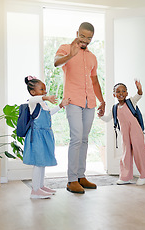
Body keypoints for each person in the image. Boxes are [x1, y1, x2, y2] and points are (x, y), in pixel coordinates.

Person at [54, 22, 106, 194]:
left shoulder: (92, 57)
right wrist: (71, 54)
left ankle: (81, 176)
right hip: (73, 100)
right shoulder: (65, 48)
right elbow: (56, 63)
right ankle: (71, 180)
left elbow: (94, 81)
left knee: (84, 139)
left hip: (89, 101)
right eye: (82, 36)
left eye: (89, 38)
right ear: (77, 33)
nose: (85, 40)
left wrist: (102, 101)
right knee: (76, 137)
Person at [22, 76, 70, 199]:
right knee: (38, 163)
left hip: (45, 135)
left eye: (45, 89)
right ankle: (35, 190)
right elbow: (35, 99)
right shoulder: (33, 102)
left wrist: (60, 105)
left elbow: (49, 113)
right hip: (37, 136)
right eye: (42, 89)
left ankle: (40, 186)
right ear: (33, 92)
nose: (45, 91)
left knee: (42, 162)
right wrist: (46, 97)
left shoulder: (43, 104)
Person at [100, 80, 145, 185]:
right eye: (118, 91)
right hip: (124, 133)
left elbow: (139, 95)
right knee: (126, 154)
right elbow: (107, 119)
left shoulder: (131, 102)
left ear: (127, 93)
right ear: (114, 94)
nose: (121, 93)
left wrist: (139, 89)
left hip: (136, 131)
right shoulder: (114, 108)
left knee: (139, 151)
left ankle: (144, 175)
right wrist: (101, 115)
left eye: (123, 91)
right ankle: (125, 177)